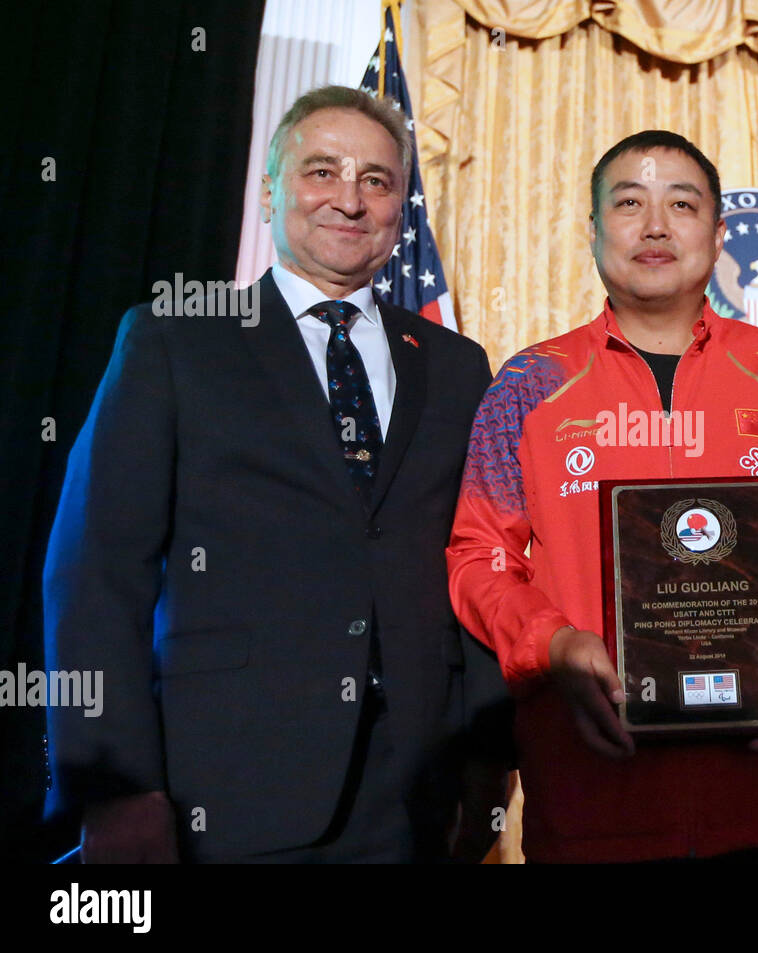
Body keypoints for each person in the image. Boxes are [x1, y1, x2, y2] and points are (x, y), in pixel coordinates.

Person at [43, 85, 508, 863]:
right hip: (221, 791)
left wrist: (489, 759)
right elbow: (95, 574)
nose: (350, 201)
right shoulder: (173, 341)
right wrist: (113, 785)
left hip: (414, 797)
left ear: (401, 206)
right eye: (322, 170)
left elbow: (476, 561)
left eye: (377, 180)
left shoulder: (459, 368)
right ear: (270, 191)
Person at [446, 131, 758, 863]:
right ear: (593, 233)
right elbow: (478, 556)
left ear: (718, 235)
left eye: (680, 204)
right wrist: (552, 647)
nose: (655, 225)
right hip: (593, 799)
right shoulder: (527, 383)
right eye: (630, 203)